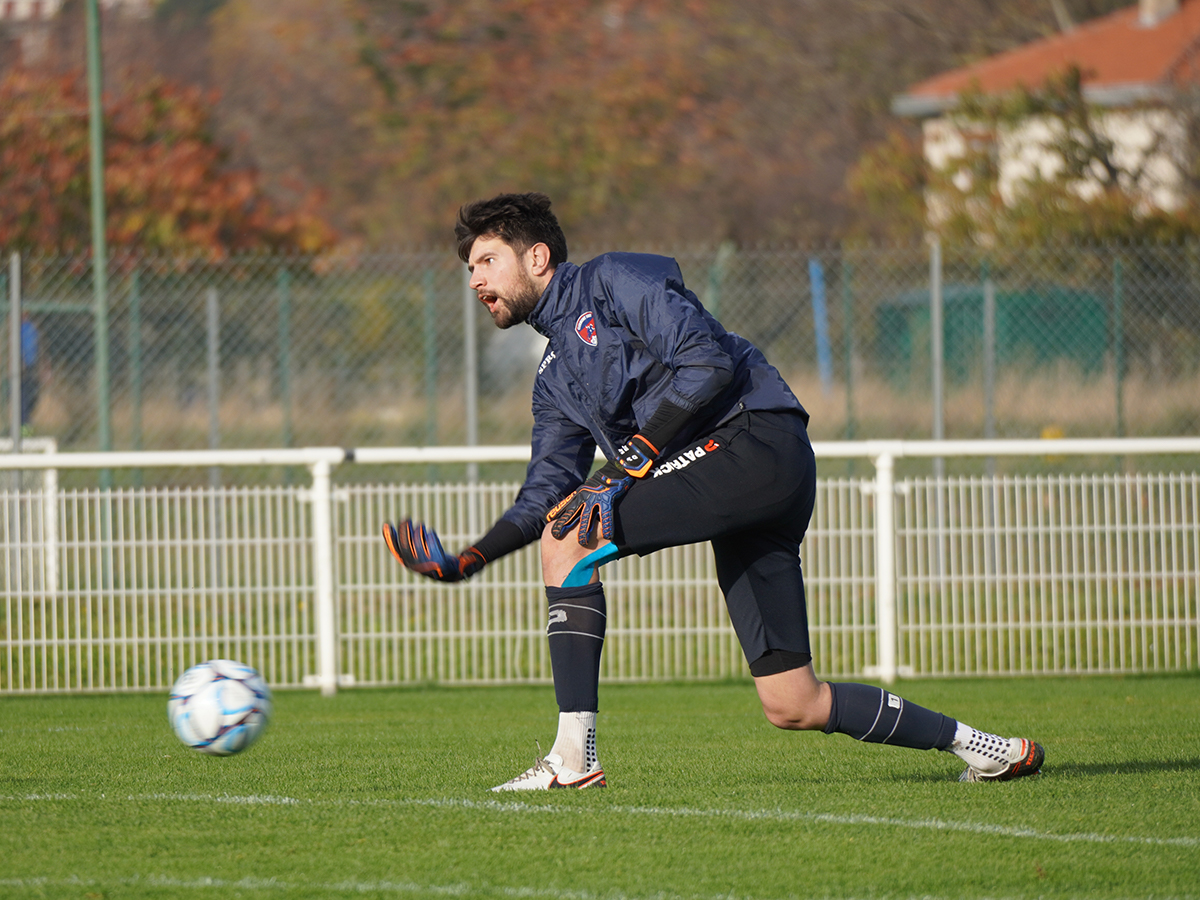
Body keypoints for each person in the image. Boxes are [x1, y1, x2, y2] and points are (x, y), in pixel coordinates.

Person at [383, 192, 1044, 791]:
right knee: (794, 702)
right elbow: (543, 494)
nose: (475, 280)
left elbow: (707, 360)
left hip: (756, 441)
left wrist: (628, 463)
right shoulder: (554, 377)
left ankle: (573, 759)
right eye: (469, 268)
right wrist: (469, 559)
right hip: (743, 478)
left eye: (487, 261)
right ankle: (987, 749)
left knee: (568, 538)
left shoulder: (611, 280)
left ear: (537, 257)